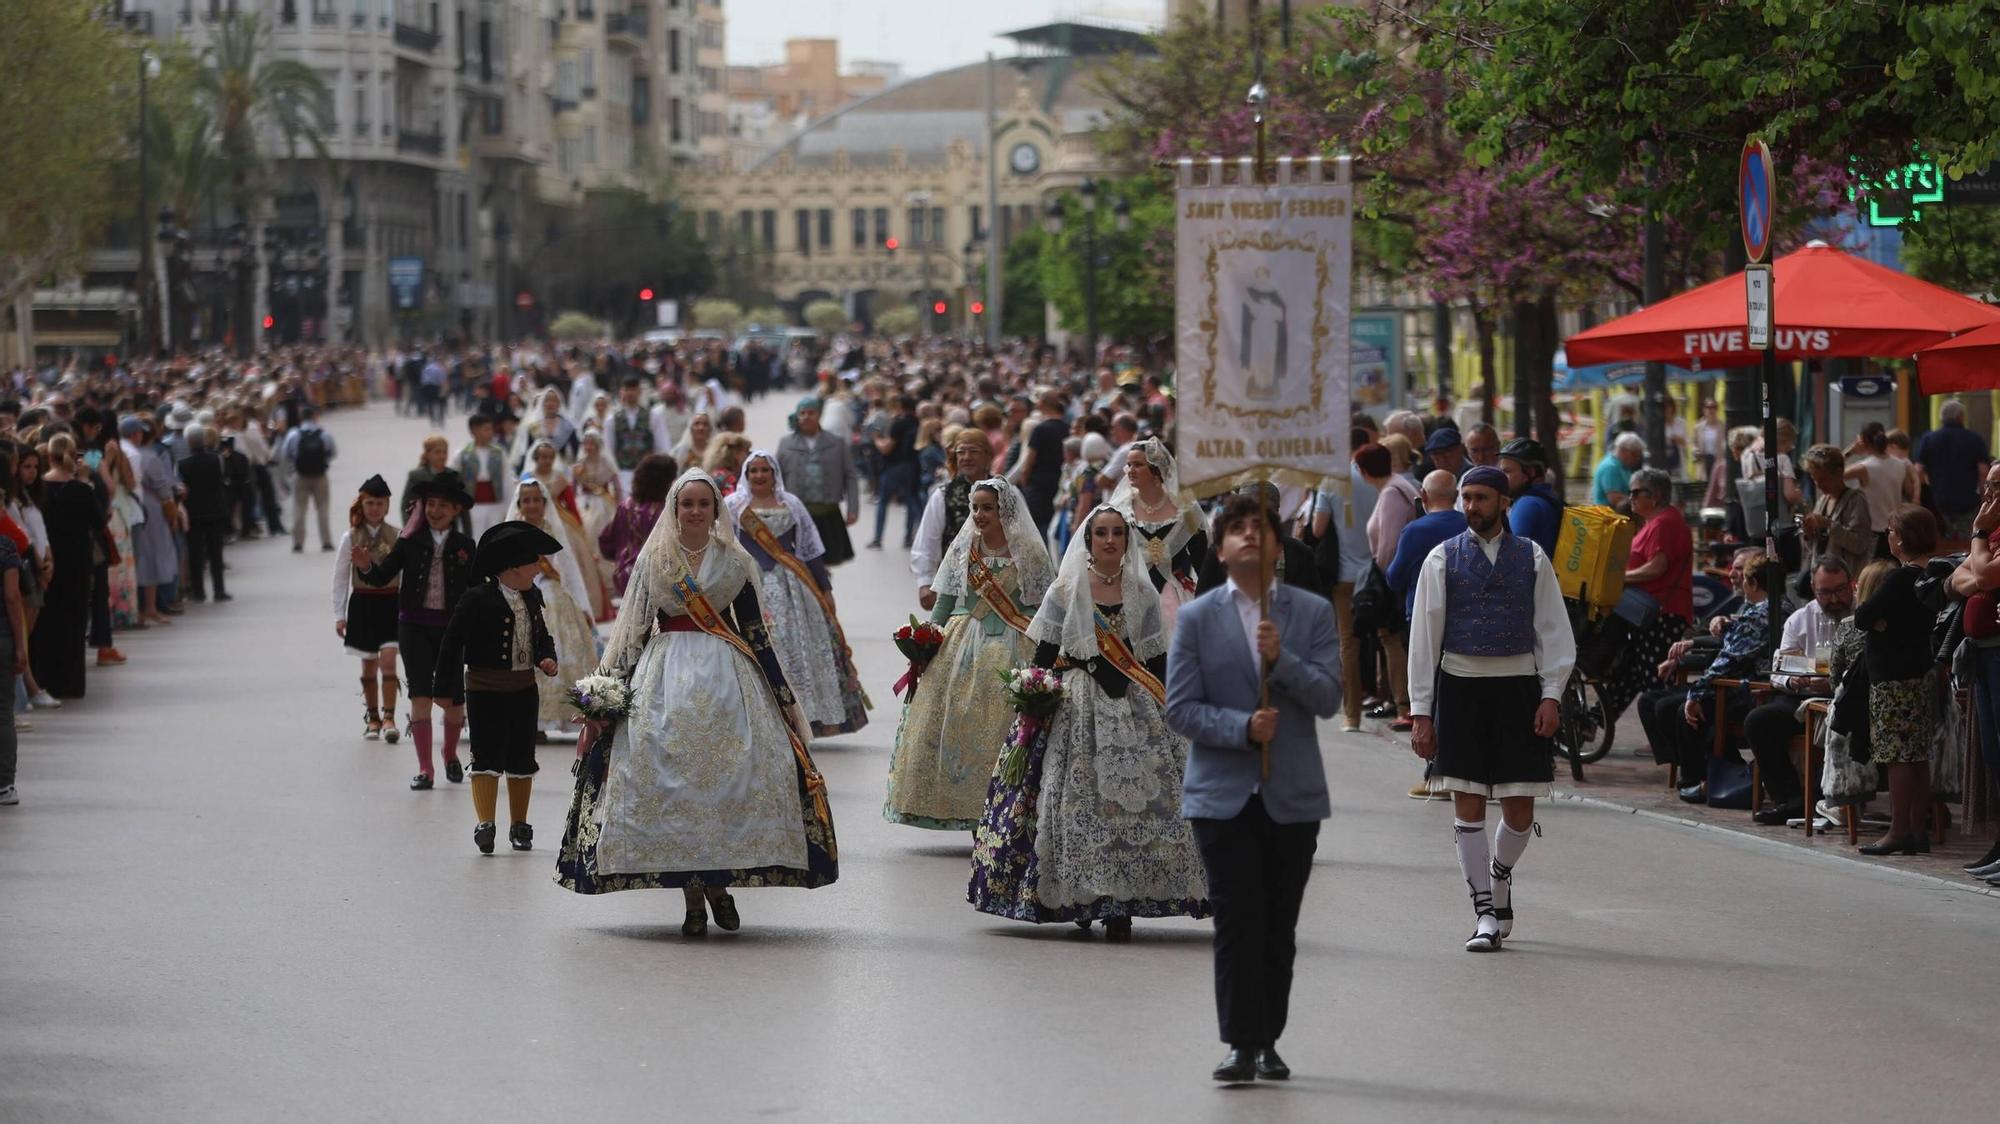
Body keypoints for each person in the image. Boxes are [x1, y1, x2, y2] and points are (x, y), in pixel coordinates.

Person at [556, 469, 839, 936]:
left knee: (726, 783)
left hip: (728, 677)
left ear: (715, 509)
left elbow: (754, 633)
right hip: (663, 676)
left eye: (702, 504)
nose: (694, 511)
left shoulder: (735, 561)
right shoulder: (656, 562)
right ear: (674, 508)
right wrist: (602, 699)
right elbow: (629, 635)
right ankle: (694, 897)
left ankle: (717, 886)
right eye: (686, 503)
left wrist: (782, 696)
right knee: (673, 785)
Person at [969, 504, 1209, 936]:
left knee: (1142, 804)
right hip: (1078, 705)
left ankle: (1121, 904)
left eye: (1118, 533)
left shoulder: (1143, 591)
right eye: (1102, 533)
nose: (1111, 541)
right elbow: (1043, 656)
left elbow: (1155, 658)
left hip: (1136, 706)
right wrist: (1034, 699)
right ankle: (1084, 896)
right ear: (1088, 540)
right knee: (1078, 801)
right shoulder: (1065, 590)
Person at [1166, 493, 1338, 1083]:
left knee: (1277, 925)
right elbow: (1181, 709)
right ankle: (1240, 1041)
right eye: (1235, 529)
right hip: (1221, 795)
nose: (1247, 537)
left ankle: (1269, 1038)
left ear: (1277, 544)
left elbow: (1328, 697)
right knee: (1237, 919)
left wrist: (1281, 659)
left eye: (1258, 528)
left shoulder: (1311, 614)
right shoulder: (1196, 617)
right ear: (1220, 548)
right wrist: (1241, 728)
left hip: (1291, 796)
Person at [1406, 465, 1574, 951]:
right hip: (1460, 690)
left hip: (1519, 689)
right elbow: (1424, 638)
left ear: (1503, 502)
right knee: (1469, 800)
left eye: (1481, 497)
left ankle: (1500, 876)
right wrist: (1421, 711)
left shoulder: (1533, 558)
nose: (1471, 506)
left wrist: (1551, 695)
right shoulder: (1442, 558)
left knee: (1520, 809)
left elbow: (1554, 631)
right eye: (1466, 497)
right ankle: (1483, 910)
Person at [887, 478, 1054, 831]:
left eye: (987, 508)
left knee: (1006, 726)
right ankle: (964, 808)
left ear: (1004, 511)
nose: (979, 514)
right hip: (964, 644)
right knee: (955, 720)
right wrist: (927, 641)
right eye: (975, 508)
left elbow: (1043, 606)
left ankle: (1008, 808)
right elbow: (945, 601)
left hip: (1016, 644)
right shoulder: (964, 548)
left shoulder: (1030, 552)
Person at [435, 520, 562, 855]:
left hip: (523, 689)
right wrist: (445, 689)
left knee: (522, 757)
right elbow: (451, 643)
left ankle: (520, 824)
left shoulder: (532, 596)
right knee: (485, 755)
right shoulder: (476, 599)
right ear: (513, 567)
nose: (538, 567)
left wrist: (546, 658)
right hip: (484, 690)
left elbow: (542, 636)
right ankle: (486, 823)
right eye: (533, 562)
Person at [726, 450, 869, 738]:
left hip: (791, 584)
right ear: (746, 474)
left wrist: (824, 589)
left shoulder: (791, 504)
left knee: (796, 646)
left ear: (774, 473)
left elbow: (810, 549)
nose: (759, 475)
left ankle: (804, 716)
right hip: (749, 584)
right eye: (753, 470)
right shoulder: (732, 505)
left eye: (765, 470)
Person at [351, 470, 478, 790]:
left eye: (443, 506)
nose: (435, 511)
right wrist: (365, 566)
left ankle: (449, 753)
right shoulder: (409, 542)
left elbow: (477, 589)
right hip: (413, 627)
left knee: (453, 700)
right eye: (430, 504)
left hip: (452, 630)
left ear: (456, 511)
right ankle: (426, 768)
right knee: (420, 692)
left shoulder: (466, 545)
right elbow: (383, 577)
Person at [1638, 553, 1775, 804]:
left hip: (1744, 689)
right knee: (1654, 702)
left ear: (1753, 582)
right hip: (1730, 683)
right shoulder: (1755, 608)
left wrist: (1696, 693)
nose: (1737, 579)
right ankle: (1708, 768)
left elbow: (1730, 658)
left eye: (1742, 575)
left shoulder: (1763, 613)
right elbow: (1729, 646)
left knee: (1680, 710)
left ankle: (1697, 778)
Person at [1852, 505, 1943, 855]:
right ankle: (1917, 829)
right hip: (1920, 671)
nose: (1887, 537)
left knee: (1898, 757)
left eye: (1891, 531)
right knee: (1917, 755)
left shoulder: (1899, 577)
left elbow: (1863, 615)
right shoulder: (1933, 572)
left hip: (1893, 677)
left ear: (1902, 538)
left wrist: (1876, 621)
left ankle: (1898, 830)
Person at [1744, 558, 1853, 824]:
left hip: (1845, 696)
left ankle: (1824, 799)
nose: (1835, 599)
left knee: (1841, 722)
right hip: (1803, 696)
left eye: (1840, 590)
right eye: (1825, 592)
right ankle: (1790, 799)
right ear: (1814, 590)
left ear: (1852, 586)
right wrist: (1795, 681)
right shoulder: (1800, 620)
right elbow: (1780, 668)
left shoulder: (1859, 614)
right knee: (1759, 721)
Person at [1598, 468, 1695, 732]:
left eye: (1636, 492)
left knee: (1656, 677)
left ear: (1656, 495)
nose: (1630, 497)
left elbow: (1657, 567)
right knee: (1631, 672)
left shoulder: (1664, 522)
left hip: (1663, 613)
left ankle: (1666, 734)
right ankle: (1596, 722)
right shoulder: (1655, 522)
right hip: (1651, 614)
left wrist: (1620, 578)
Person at [504, 478, 601, 737]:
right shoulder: (512, 532)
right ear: (519, 503)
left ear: (544, 503)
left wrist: (582, 606)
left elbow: (567, 570)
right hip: (517, 594)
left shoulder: (554, 531)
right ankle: (525, 719)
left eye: (537, 499)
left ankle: (557, 716)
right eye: (527, 500)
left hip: (552, 594)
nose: (532, 504)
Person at [1948, 465, 2000, 881]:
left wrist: (1979, 534)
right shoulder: (1992, 533)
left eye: (1997, 486)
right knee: (1992, 753)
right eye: (1987, 485)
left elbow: (1980, 574)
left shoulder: (1988, 530)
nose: (1988, 494)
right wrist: (1981, 556)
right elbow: (1957, 577)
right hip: (1982, 653)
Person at [29, 435, 103, 700]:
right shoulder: (82, 490)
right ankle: (71, 683)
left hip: (46, 561)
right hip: (77, 562)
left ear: (47, 456)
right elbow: (98, 521)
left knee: (46, 622)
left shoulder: (38, 490)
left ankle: (44, 678)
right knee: (74, 622)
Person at [1108, 438, 1206, 634]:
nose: (1130, 470)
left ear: (1156, 469)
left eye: (1138, 464)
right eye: (1128, 465)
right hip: (1131, 596)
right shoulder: (1121, 510)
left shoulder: (1186, 510)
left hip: (1175, 598)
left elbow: (1201, 560)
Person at [332, 475, 403, 742]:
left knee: (388, 660)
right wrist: (339, 615)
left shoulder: (397, 536)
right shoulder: (350, 538)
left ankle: (389, 717)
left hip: (390, 603)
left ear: (387, 506)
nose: (374, 508)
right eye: (370, 503)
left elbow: (404, 574)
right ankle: (372, 716)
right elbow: (340, 577)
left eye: (379, 503)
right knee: (368, 665)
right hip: (363, 603)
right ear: (362, 505)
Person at [911, 427, 994, 610]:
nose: (966, 457)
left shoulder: (1006, 493)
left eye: (973, 451)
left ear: (988, 456)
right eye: (961, 452)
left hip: (999, 586)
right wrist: (925, 582)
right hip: (955, 587)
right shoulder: (942, 495)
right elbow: (927, 540)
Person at [777, 396, 860, 567]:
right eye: (802, 413)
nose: (807, 417)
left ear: (819, 415)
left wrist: (853, 508)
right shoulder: (786, 444)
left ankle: (823, 592)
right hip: (797, 515)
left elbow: (850, 476)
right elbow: (777, 479)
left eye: (811, 413)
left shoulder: (836, 443)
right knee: (800, 565)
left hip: (828, 514)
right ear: (797, 416)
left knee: (824, 566)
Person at [598, 453, 675, 597]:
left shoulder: (626, 506)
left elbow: (606, 541)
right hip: (660, 579)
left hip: (626, 576)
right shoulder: (667, 510)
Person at [1915, 400, 1991, 542]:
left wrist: (1928, 486)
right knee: (1970, 540)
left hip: (1938, 500)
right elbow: (1983, 471)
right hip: (1968, 500)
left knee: (1941, 542)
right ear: (1961, 416)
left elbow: (1918, 470)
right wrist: (1983, 495)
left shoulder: (1929, 439)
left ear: (1941, 417)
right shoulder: (1974, 438)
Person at [1800, 443, 1874, 589]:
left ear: (1839, 472)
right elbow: (1812, 547)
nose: (1819, 485)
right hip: (1822, 581)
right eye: (1815, 480)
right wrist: (1808, 533)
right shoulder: (1822, 501)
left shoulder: (1855, 500)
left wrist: (1828, 525)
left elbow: (1859, 543)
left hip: (1846, 582)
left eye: (1823, 480)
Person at [176, 426, 230, 603]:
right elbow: (221, 479)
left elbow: (181, 488)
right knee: (216, 552)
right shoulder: (217, 459)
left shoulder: (182, 464)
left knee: (195, 553)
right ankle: (219, 590)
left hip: (194, 512)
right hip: (215, 510)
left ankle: (198, 591)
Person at [1846, 422, 1915, 557]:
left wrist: (1850, 452)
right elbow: (1910, 492)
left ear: (1863, 441)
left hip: (1871, 531)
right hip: (1894, 530)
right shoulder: (1901, 465)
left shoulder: (1864, 467)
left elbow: (1833, 473)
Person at [1008, 389, 1071, 534]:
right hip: (1058, 484)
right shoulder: (1067, 428)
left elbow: (1027, 463)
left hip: (1038, 489)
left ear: (1042, 403)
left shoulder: (1040, 430)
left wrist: (1026, 485)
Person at [280, 406, 336, 552]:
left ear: (301, 417)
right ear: (314, 416)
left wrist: (296, 461)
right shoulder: (324, 434)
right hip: (320, 475)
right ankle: (326, 541)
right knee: (323, 508)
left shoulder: (294, 434)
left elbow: (285, 453)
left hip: (301, 475)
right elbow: (332, 452)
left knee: (299, 509)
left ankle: (298, 543)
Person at [1499, 438, 1561, 555]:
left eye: (1507, 471)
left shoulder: (1527, 505)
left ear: (1530, 472)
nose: (1501, 478)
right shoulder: (1548, 496)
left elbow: (1512, 556)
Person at [456, 413, 509, 540]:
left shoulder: (499, 453)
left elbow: (506, 480)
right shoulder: (463, 454)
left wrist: (508, 505)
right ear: (474, 430)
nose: (490, 433)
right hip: (472, 507)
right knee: (474, 538)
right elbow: (455, 480)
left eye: (491, 429)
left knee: (495, 539)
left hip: (496, 505)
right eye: (486, 429)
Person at [570, 428, 622, 544]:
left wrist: (618, 505)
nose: (588, 447)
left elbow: (617, 486)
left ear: (598, 445)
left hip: (604, 501)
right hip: (584, 501)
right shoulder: (580, 464)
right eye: (586, 444)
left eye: (591, 444)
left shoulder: (606, 463)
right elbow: (573, 487)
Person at [608, 376, 657, 488]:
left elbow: (662, 445)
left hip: (647, 473)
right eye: (627, 389)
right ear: (622, 392)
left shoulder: (652, 416)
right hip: (621, 472)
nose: (630, 393)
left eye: (633, 389)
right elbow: (608, 449)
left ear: (639, 391)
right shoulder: (612, 419)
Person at [401, 434, 452, 521]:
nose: (442, 456)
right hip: (423, 527)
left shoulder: (454, 476)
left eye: (445, 452)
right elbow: (406, 506)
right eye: (438, 452)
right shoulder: (416, 476)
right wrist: (409, 529)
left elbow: (463, 512)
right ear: (427, 454)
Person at [1592, 433, 1645, 509]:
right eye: (1635, 455)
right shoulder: (1610, 467)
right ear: (1623, 451)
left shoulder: (1622, 465)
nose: (1637, 459)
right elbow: (1614, 498)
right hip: (1609, 514)